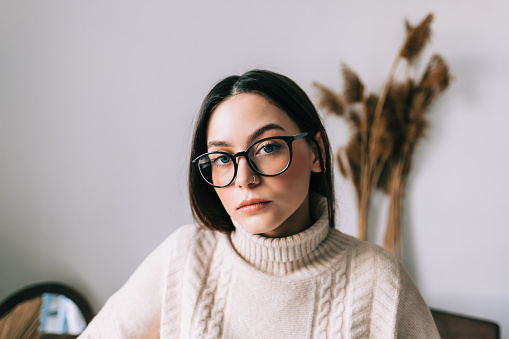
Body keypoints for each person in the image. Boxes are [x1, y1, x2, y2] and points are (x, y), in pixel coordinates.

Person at [78, 69, 440, 338]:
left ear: (316, 153)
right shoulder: (185, 258)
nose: (244, 178)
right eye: (221, 158)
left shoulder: (378, 279)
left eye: (267, 148)